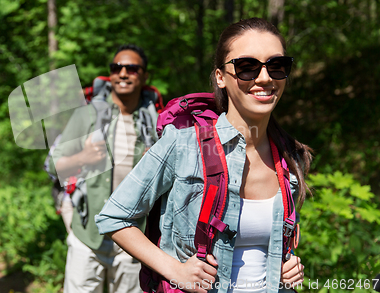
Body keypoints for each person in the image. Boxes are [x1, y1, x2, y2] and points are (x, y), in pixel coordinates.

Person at [95, 18, 312, 293]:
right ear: (220, 77)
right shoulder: (184, 144)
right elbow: (114, 217)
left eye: (277, 66)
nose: (265, 78)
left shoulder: (289, 157)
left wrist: (289, 266)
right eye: (247, 67)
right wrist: (174, 270)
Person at [51, 44, 159, 293]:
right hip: (87, 238)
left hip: (133, 241)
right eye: (116, 67)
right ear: (110, 74)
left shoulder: (155, 122)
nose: (123, 73)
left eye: (132, 68)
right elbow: (56, 166)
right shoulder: (88, 115)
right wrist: (84, 157)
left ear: (144, 76)